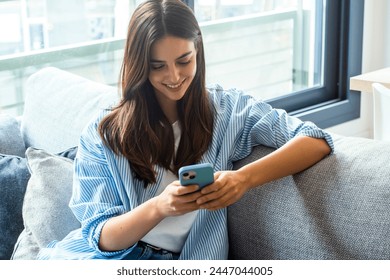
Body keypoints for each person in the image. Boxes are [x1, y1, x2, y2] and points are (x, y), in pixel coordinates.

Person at [37, 0, 333, 260]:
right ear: (139, 65)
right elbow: (101, 238)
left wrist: (243, 179)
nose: (174, 76)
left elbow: (315, 140)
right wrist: (160, 207)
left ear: (198, 52)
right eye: (158, 66)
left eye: (184, 61)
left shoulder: (228, 109)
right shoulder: (104, 134)